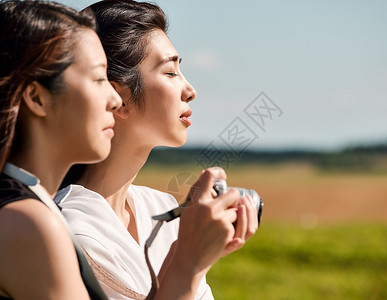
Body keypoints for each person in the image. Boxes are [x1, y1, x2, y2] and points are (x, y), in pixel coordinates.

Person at [56, 0, 259, 299]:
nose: (190, 90)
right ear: (118, 98)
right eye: (170, 72)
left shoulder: (161, 211)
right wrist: (190, 262)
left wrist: (199, 257)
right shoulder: (73, 230)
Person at [0, 1, 122, 299]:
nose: (115, 100)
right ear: (36, 98)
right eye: (98, 78)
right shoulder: (28, 223)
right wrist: (188, 264)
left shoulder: (30, 207)